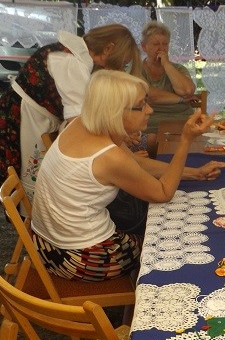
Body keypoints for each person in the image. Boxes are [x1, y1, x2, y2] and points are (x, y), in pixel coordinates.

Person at [30, 70, 213, 282]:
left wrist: (194, 173)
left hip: (45, 244)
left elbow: (136, 164)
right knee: (170, 247)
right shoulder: (108, 156)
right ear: (115, 112)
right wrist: (185, 141)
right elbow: (163, 193)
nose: (150, 110)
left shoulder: (81, 123)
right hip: (82, 257)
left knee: (151, 221)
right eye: (141, 105)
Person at [0, 24, 141, 201]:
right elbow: (81, 122)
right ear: (108, 48)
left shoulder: (75, 56)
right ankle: (35, 215)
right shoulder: (70, 61)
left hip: (35, 115)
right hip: (25, 117)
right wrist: (119, 144)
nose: (121, 68)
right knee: (31, 175)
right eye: (122, 62)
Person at [140, 20, 201, 133]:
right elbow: (148, 95)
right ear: (144, 46)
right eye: (156, 44)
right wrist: (181, 99)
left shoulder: (179, 69)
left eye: (165, 44)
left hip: (182, 124)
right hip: (150, 126)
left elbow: (187, 91)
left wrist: (166, 64)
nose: (161, 48)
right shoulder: (137, 69)